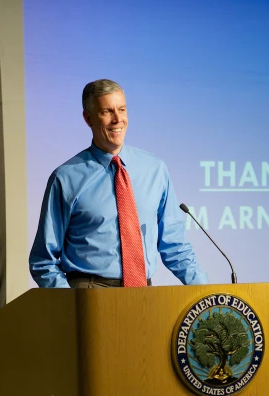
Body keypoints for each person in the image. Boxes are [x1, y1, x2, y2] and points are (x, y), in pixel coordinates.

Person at [29, 79, 209, 289]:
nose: (117, 119)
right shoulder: (66, 178)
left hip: (144, 294)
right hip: (90, 294)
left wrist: (205, 293)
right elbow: (43, 260)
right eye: (107, 111)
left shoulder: (155, 169)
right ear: (88, 118)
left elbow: (175, 245)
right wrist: (71, 303)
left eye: (121, 109)